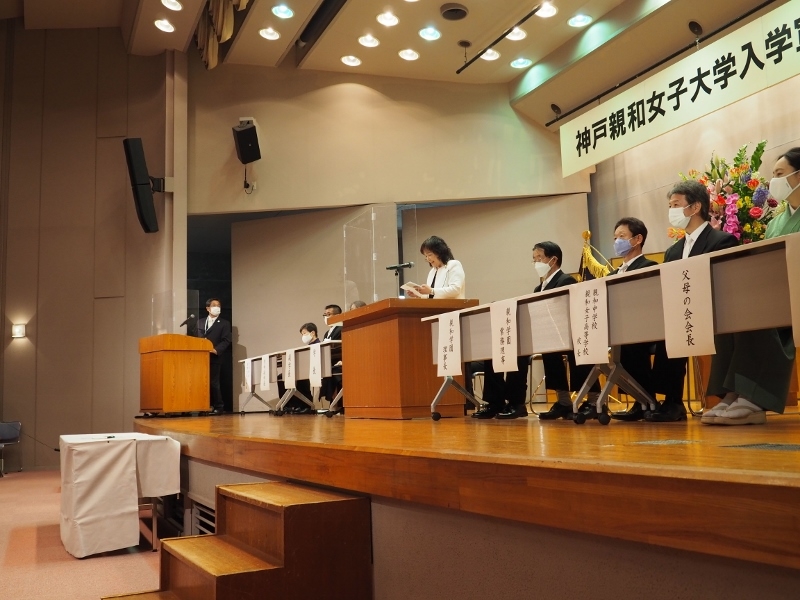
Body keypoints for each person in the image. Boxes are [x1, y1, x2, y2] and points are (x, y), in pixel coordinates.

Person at [701, 149, 800, 425]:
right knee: (732, 315)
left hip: (794, 293)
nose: (774, 180)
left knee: (758, 314)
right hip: (774, 291)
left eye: (780, 174)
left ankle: (755, 397)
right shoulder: (776, 221)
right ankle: (732, 392)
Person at [644, 180, 738, 422]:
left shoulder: (721, 241)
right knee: (669, 328)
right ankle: (671, 400)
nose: (671, 211)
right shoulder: (673, 251)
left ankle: (727, 396)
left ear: (695, 207)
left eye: (676, 205)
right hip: (684, 312)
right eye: (670, 205)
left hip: (713, 313)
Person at [606, 217, 660, 422]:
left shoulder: (648, 266)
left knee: (632, 345)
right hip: (621, 328)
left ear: (638, 239)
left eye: (622, 236)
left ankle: (646, 399)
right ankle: (639, 400)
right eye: (615, 238)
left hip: (644, 328)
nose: (617, 241)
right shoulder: (614, 273)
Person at [197, 298, 232, 415]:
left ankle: (218, 406)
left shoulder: (224, 323)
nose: (217, 307)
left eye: (219, 305)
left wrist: (216, 350)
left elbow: (226, 340)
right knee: (201, 382)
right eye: (214, 305)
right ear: (208, 308)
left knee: (213, 382)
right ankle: (204, 406)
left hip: (215, 357)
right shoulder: (200, 322)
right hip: (200, 357)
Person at [278, 322, 320, 414]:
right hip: (304, 368)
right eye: (302, 334)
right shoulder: (308, 346)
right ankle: (289, 405)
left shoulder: (318, 345)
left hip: (313, 369)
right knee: (281, 377)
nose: (303, 336)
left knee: (300, 376)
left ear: (312, 333)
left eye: (304, 333)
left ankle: (306, 405)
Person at [321, 304, 343, 407]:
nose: (326, 317)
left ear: (338, 315)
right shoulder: (327, 333)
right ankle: (333, 404)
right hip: (329, 362)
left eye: (329, 314)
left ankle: (337, 404)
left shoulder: (341, 328)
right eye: (325, 315)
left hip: (338, 361)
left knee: (334, 373)